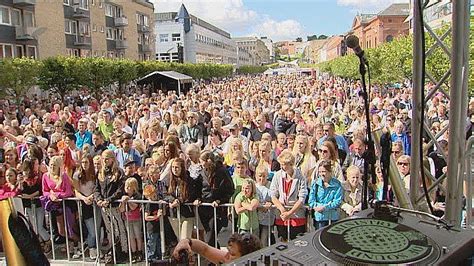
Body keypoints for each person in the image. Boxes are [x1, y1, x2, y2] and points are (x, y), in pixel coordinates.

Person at [270, 150, 308, 241]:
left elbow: (302, 198)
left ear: (291, 164)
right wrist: (282, 209)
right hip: (281, 215)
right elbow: (273, 194)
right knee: (283, 241)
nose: (283, 167)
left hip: (297, 215)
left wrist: (290, 213)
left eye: (285, 164)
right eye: (282, 164)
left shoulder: (300, 176)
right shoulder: (277, 175)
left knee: (296, 242)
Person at [172, 233, 261, 264]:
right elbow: (205, 250)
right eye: (228, 251)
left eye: (232, 254)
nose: (226, 256)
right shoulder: (228, 259)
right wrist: (186, 242)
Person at [308, 160, 343, 229]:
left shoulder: (337, 184)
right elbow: (311, 200)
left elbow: (338, 201)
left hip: (333, 217)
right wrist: (317, 207)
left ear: (330, 171)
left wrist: (325, 207)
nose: (321, 174)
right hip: (320, 217)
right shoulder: (315, 184)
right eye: (320, 172)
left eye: (323, 171)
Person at [119, 177, 143, 262]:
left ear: (134, 187)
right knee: (131, 237)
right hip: (127, 219)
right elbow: (121, 209)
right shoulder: (123, 196)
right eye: (126, 186)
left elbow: (133, 207)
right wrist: (123, 201)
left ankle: (139, 252)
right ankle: (133, 253)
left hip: (136, 219)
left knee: (138, 236)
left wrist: (128, 201)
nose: (127, 188)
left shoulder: (137, 195)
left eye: (129, 186)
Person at [255, 163, 275, 247]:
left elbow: (275, 197)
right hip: (256, 218)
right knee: (256, 240)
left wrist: (271, 203)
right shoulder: (254, 186)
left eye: (264, 176)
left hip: (268, 219)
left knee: (264, 240)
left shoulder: (271, 185)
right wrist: (260, 206)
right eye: (260, 176)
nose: (261, 178)